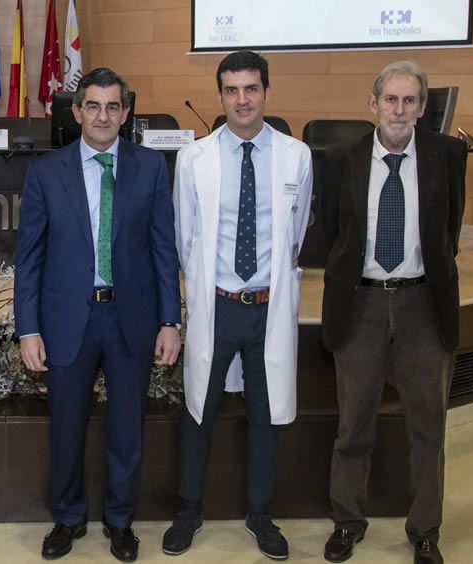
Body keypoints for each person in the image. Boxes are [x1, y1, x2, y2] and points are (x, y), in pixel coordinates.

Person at [14, 67, 181, 563]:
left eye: (113, 107)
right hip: (68, 320)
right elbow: (30, 258)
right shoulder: (46, 172)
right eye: (93, 106)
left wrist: (170, 320)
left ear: (125, 114)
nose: (103, 116)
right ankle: (67, 517)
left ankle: (120, 521)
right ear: (77, 112)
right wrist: (28, 328)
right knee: (66, 427)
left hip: (131, 319)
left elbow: (163, 250)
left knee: (127, 430)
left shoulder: (151, 167)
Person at [164, 50, 313, 561]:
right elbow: (185, 236)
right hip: (217, 305)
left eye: (251, 88)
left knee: (264, 415)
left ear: (266, 92)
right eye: (232, 90)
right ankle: (189, 511)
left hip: (268, 307)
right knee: (198, 410)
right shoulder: (194, 158)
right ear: (221, 96)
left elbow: (297, 232)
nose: (242, 99)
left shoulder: (297, 156)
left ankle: (260, 514)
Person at [319, 61, 467, 564]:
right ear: (373, 104)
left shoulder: (449, 155)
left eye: (409, 101)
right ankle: (347, 520)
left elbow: (449, 230)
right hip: (360, 303)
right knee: (354, 424)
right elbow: (334, 233)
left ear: (423, 108)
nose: (399, 110)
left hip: (423, 303)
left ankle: (425, 530)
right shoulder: (342, 159)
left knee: (428, 426)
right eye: (390, 99)